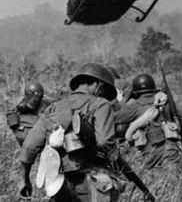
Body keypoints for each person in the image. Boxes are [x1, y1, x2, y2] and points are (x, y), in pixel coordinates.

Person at [19, 63, 123, 202]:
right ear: (99, 85)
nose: (103, 95)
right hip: (93, 180)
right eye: (104, 91)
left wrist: (24, 180)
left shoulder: (52, 109)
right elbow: (105, 142)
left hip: (59, 184)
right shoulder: (100, 105)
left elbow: (29, 146)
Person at [115, 74, 182, 169]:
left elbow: (114, 118)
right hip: (170, 147)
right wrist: (178, 133)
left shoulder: (132, 105)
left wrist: (126, 97)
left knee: (149, 179)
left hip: (147, 151)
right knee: (175, 178)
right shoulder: (165, 100)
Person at [6, 82, 47, 146]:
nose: (37, 100)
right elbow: (12, 118)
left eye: (39, 97)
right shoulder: (20, 102)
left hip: (39, 125)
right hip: (25, 128)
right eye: (36, 97)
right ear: (28, 95)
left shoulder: (44, 103)